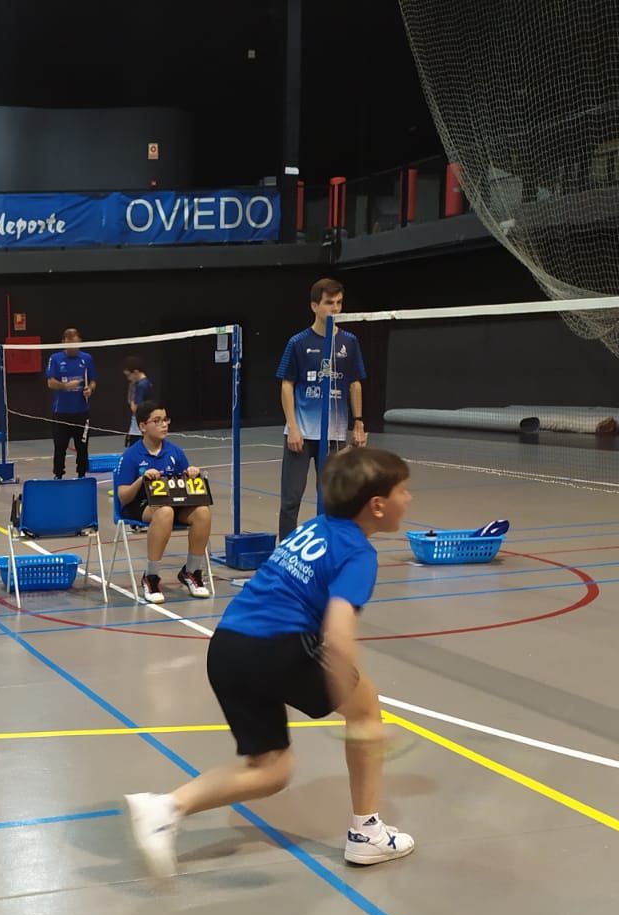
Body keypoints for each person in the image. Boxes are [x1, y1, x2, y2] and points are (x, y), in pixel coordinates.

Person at [121, 447, 415, 877]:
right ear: (377, 505)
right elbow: (337, 633)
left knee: (271, 770)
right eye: (403, 491)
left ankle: (165, 808)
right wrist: (358, 715)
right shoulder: (358, 554)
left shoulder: (314, 527)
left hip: (227, 647)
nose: (409, 499)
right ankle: (367, 833)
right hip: (278, 646)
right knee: (366, 706)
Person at [276, 277, 369, 538]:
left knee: (331, 498)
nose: (335, 308)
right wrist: (293, 427)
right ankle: (286, 550)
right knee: (291, 499)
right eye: (329, 303)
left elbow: (355, 383)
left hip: (334, 435)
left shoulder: (350, 341)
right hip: (302, 433)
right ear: (314, 306)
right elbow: (287, 385)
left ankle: (326, 547)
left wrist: (358, 421)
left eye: (339, 303)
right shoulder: (298, 342)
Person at [113, 400, 212, 602]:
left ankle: (191, 571)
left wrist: (191, 473)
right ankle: (151, 576)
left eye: (165, 420)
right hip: (140, 505)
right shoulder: (131, 455)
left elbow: (185, 484)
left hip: (174, 502)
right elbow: (123, 496)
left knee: (202, 512)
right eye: (157, 421)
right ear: (143, 426)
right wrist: (141, 480)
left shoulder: (175, 452)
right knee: (165, 511)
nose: (164, 425)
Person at [46, 327, 96, 478]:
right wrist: (65, 386)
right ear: (63, 342)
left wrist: (90, 389)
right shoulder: (55, 358)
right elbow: (50, 382)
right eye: (69, 343)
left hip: (81, 412)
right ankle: (58, 475)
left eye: (75, 342)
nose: (73, 346)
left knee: (82, 447)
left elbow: (93, 381)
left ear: (79, 341)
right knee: (60, 446)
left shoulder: (87, 358)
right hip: (61, 412)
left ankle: (82, 475)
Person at [121, 356, 152, 448]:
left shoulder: (141, 385)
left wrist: (131, 397)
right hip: (141, 424)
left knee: (135, 450)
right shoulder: (146, 383)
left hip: (139, 427)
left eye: (128, 375)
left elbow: (135, 408)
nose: (128, 378)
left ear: (135, 372)